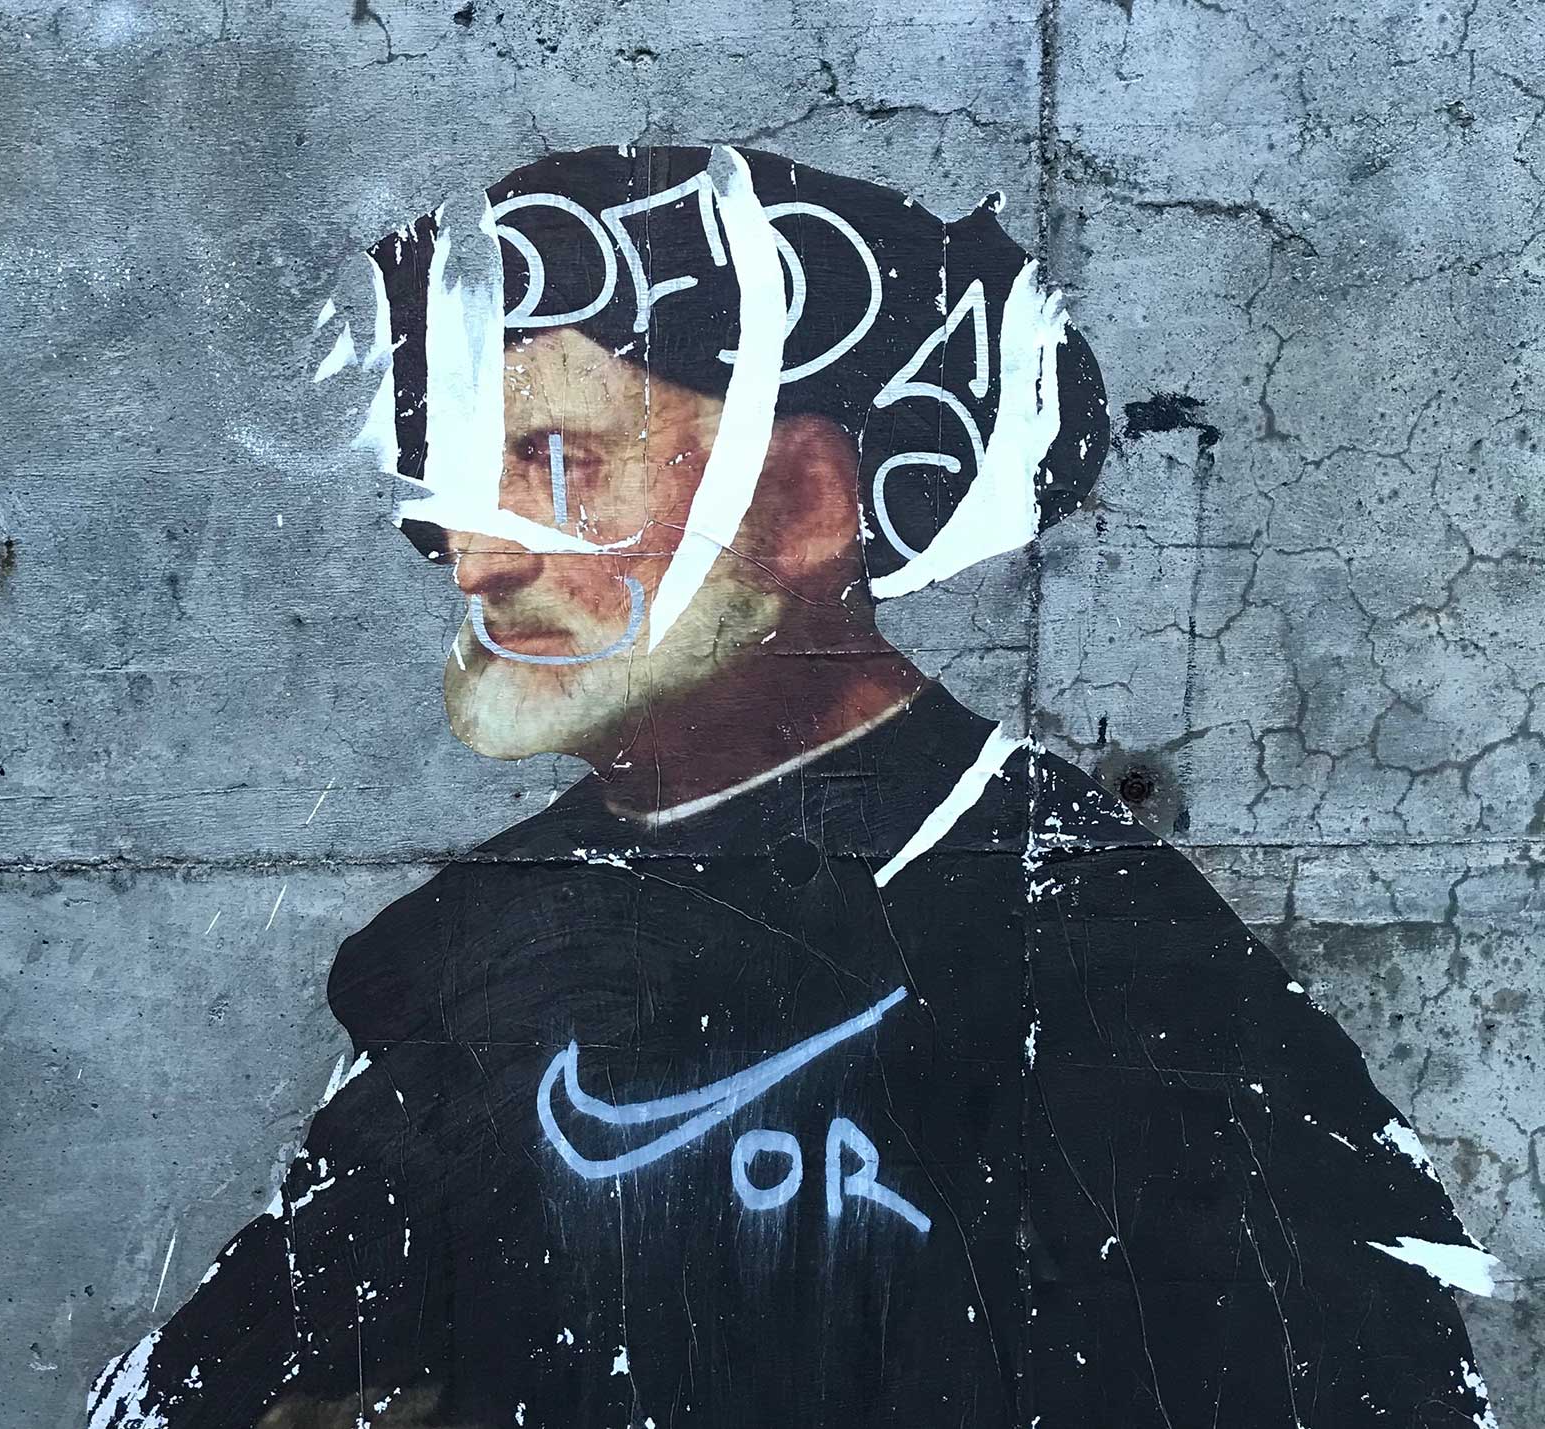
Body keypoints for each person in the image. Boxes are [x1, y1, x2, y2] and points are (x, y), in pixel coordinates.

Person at [89, 145, 1496, 1428]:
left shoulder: (1096, 958)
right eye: (455, 480)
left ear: (811, 502)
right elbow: (207, 1387)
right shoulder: (472, 952)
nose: (475, 557)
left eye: (556, 462)